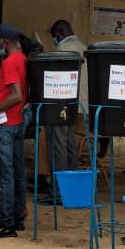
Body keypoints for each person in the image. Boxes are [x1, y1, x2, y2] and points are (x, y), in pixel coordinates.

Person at [0, 23, 28, 239]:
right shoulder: (24, 59)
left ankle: (6, 222)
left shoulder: (10, 62)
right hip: (18, 122)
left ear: (5, 41)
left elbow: (16, 95)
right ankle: (18, 216)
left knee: (5, 174)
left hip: (7, 124)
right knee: (18, 171)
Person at [44, 20, 88, 200]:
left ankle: (58, 188)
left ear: (59, 33)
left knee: (59, 144)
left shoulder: (62, 50)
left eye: (54, 36)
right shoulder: (84, 47)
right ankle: (72, 184)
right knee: (70, 143)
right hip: (80, 105)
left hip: (63, 103)